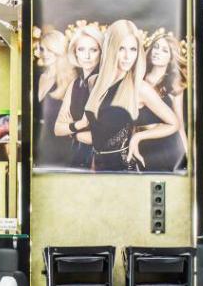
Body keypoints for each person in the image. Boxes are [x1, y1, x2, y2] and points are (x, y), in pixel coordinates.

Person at [77, 19, 179, 172]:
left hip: (124, 168)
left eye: (133, 49)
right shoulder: (94, 82)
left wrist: (137, 137)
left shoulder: (139, 88)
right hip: (97, 166)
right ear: (111, 49)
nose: (127, 56)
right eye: (121, 48)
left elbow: (173, 123)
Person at [135, 31, 188, 173]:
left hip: (170, 146)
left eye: (164, 50)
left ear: (171, 57)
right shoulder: (138, 79)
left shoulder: (175, 85)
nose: (157, 52)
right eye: (156, 47)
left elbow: (179, 123)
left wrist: (187, 155)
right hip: (144, 146)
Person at [54, 24, 102, 171]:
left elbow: (103, 138)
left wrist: (72, 131)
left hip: (102, 160)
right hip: (78, 156)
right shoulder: (75, 84)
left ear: (101, 52)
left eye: (93, 50)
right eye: (81, 49)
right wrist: (79, 125)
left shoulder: (106, 83)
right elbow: (57, 129)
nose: (87, 56)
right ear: (75, 52)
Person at [36, 29, 75, 168]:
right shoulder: (39, 77)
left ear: (59, 50)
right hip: (39, 147)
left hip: (62, 150)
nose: (45, 53)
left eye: (50, 49)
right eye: (42, 49)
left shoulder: (71, 79)